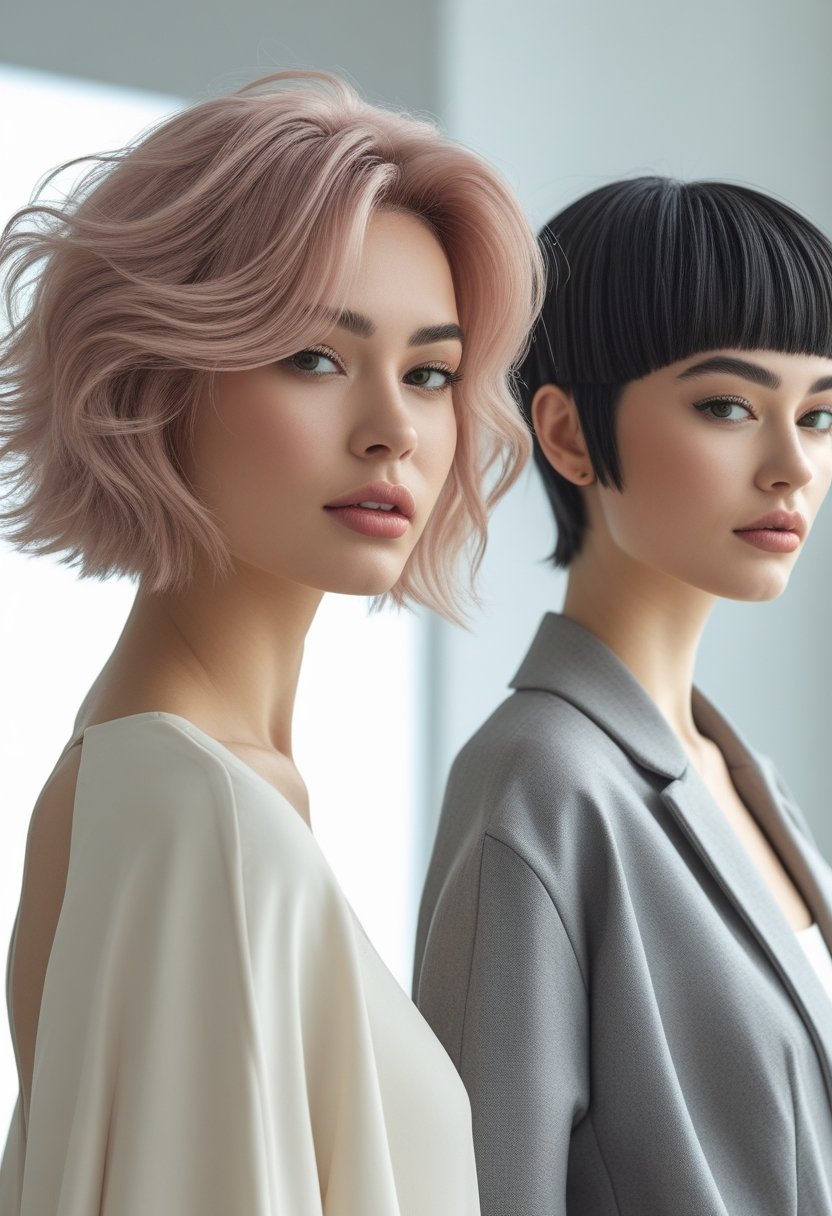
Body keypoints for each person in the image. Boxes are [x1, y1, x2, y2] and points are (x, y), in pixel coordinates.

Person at [0, 71, 542, 1214]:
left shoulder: (183, 784)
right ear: (156, 379)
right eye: (313, 358)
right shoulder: (195, 806)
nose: (394, 429)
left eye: (431, 374)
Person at [413, 176, 832, 1214]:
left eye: (820, 414)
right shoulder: (537, 782)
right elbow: (488, 1188)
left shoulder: (743, 778)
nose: (791, 466)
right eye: (727, 405)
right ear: (564, 434)